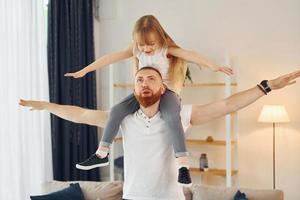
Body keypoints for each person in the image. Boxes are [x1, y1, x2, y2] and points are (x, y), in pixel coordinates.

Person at [20, 67, 300, 199]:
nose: (144, 83)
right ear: (133, 89)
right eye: (139, 79)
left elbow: (227, 104)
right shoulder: (124, 118)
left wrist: (267, 86)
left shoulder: (181, 114)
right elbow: (80, 114)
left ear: (163, 89)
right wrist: (46, 106)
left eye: (151, 78)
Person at [64, 15, 233, 185]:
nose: (146, 49)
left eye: (151, 44)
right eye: (142, 44)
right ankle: (102, 153)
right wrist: (85, 70)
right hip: (145, 92)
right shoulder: (136, 49)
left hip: (166, 92)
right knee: (116, 111)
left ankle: (183, 167)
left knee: (173, 118)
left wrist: (213, 66)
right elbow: (110, 57)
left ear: (160, 38)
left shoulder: (165, 49)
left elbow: (189, 54)